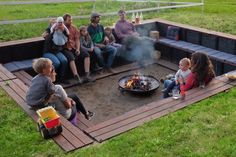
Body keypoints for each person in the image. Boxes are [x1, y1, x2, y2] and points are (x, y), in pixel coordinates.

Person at [26, 58, 94, 125]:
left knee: (72, 96)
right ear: (44, 71)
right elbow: (52, 92)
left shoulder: (35, 78)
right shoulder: (50, 83)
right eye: (50, 67)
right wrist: (52, 80)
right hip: (41, 105)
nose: (53, 70)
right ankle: (86, 114)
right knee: (74, 100)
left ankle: (86, 113)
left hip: (30, 102)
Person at [63, 13, 94, 83]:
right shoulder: (62, 28)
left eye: (71, 20)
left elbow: (77, 39)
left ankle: (87, 75)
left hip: (74, 47)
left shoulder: (74, 28)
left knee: (86, 55)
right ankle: (76, 76)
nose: (71, 21)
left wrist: (77, 49)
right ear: (64, 21)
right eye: (69, 20)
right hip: (66, 48)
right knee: (71, 58)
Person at [42, 18, 68, 84]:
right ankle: (49, 79)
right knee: (57, 63)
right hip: (48, 52)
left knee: (64, 60)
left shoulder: (60, 30)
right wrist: (53, 32)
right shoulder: (48, 31)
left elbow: (67, 37)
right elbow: (48, 40)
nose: (56, 24)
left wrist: (64, 31)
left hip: (57, 51)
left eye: (56, 23)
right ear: (51, 25)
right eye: (53, 23)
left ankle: (61, 78)